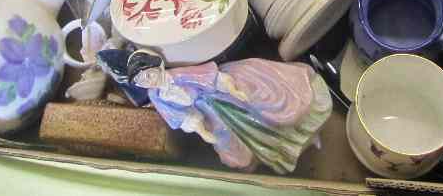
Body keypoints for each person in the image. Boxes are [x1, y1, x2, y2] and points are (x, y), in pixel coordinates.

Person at [98, 48, 332, 174]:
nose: (148, 81)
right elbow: (181, 116)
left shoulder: (180, 75)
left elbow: (213, 77)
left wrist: (233, 90)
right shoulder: (156, 96)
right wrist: (200, 129)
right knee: (238, 145)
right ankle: (284, 152)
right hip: (212, 114)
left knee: (272, 110)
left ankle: (305, 134)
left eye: (148, 74)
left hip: (224, 97)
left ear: (157, 66)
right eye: (140, 81)